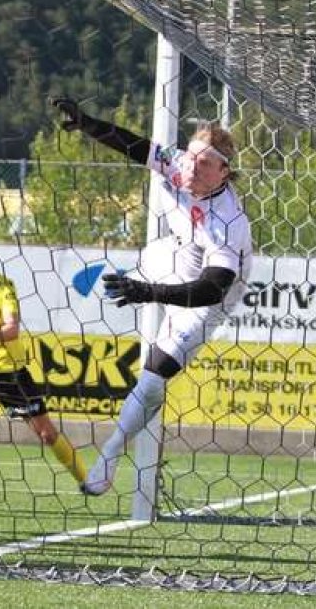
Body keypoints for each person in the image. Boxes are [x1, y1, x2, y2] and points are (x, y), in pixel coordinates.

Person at [51, 98, 253, 495]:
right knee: (137, 270)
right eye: (191, 157)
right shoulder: (179, 165)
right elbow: (134, 145)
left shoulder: (229, 222)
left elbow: (211, 288)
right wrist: (89, 123)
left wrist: (148, 292)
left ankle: (110, 453)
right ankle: (136, 283)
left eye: (205, 163)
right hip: (172, 255)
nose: (192, 167)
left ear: (224, 173)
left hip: (211, 295)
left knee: (154, 376)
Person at [0, 231, 87, 484]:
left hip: (10, 374)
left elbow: (12, 329)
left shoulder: (4, 286)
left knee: (46, 434)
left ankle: (88, 480)